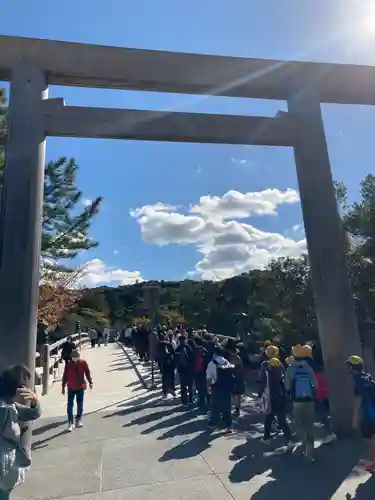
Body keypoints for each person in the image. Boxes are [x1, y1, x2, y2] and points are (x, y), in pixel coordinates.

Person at [0, 365, 41, 499]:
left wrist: (35, 401)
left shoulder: (12, 406)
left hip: (9, 462)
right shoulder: (3, 407)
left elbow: (34, 413)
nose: (26, 389)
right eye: (23, 385)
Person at [285, 344, 316, 462]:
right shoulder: (308, 367)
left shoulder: (290, 368)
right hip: (309, 401)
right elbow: (315, 384)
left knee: (298, 425)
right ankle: (310, 455)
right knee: (310, 426)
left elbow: (287, 387)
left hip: (296, 401)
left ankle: (301, 443)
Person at [346, 355, 375, 471]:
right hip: (373, 411)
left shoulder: (358, 380)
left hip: (368, 415)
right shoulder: (367, 376)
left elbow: (358, 401)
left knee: (371, 440)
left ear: (352, 367)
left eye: (349, 366)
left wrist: (354, 420)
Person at [258, 357, 293, 447]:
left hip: (271, 399)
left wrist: (260, 395)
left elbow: (263, 386)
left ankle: (267, 437)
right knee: (282, 420)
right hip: (281, 399)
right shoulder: (280, 372)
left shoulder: (268, 374)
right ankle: (289, 439)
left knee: (268, 419)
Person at [62, 349, 93, 432]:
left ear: (79, 356)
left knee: (80, 405)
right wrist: (63, 387)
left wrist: (90, 382)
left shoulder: (83, 363)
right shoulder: (68, 365)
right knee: (70, 406)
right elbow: (65, 376)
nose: (75, 358)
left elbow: (87, 373)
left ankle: (78, 420)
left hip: (80, 387)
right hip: (71, 387)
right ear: (71, 357)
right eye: (74, 357)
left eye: (77, 357)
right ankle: (70, 422)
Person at [206, 346, 235, 432]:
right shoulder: (226, 361)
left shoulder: (211, 363)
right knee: (227, 406)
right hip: (226, 387)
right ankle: (229, 425)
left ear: (215, 353)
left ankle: (214, 423)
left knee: (215, 406)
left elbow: (209, 378)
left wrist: (208, 387)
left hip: (216, 387)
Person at [314, 365, 336, 444]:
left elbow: (315, 388)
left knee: (323, 417)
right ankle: (331, 432)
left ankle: (329, 434)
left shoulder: (315, 377)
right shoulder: (324, 376)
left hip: (320, 398)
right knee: (328, 415)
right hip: (327, 397)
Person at [175, 335, 195, 406]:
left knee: (184, 386)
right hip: (188, 370)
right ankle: (189, 399)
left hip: (184, 370)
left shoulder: (178, 349)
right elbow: (193, 358)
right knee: (188, 386)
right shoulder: (188, 348)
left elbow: (176, 360)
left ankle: (186, 400)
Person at [193, 337, 209, 412]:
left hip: (197, 371)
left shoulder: (195, 350)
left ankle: (202, 402)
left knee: (199, 387)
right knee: (204, 387)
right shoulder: (205, 350)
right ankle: (205, 402)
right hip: (204, 371)